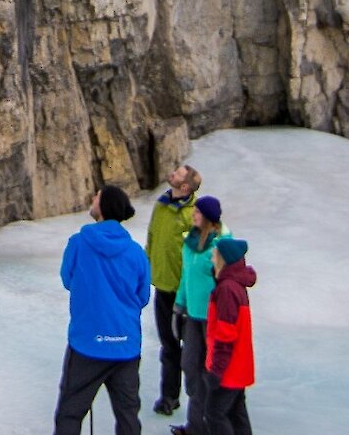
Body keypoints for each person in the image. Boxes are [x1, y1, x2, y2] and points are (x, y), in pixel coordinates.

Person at [55, 184, 153, 435]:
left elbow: (68, 279)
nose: (92, 198)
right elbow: (142, 296)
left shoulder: (78, 243)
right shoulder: (136, 253)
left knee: (70, 412)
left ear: (104, 206)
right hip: (125, 345)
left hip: (87, 344)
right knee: (128, 415)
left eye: (97, 196)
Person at [143, 164, 200, 417]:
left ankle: (200, 400)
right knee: (168, 346)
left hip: (184, 294)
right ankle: (169, 397)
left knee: (192, 349)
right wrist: (145, 271)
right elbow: (152, 239)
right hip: (162, 288)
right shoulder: (161, 205)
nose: (172, 173)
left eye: (177, 173)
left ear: (185, 186)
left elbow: (197, 255)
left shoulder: (192, 215)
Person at [171, 196, 229, 435]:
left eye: (197, 211)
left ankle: (210, 424)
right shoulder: (189, 243)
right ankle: (195, 425)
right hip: (193, 317)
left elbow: (226, 283)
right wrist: (178, 307)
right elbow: (186, 278)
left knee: (210, 372)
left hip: (212, 319)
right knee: (190, 366)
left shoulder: (221, 244)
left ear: (207, 216)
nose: (193, 214)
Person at [203, 237, 257, 435]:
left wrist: (217, 371)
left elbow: (226, 334)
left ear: (223, 259)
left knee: (214, 414)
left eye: (215, 254)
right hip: (239, 368)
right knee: (236, 413)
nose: (211, 258)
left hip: (229, 370)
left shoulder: (227, 289)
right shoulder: (234, 285)